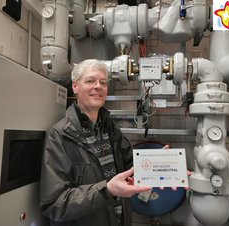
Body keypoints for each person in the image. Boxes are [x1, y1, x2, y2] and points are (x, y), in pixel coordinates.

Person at [39, 59, 151, 226]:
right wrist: (107, 191)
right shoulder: (60, 135)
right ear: (75, 86)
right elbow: (55, 205)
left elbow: (131, 165)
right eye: (90, 81)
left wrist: (162, 167)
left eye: (103, 82)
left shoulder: (110, 128)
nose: (98, 86)